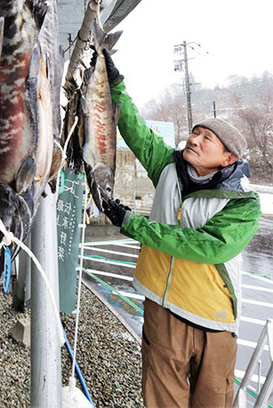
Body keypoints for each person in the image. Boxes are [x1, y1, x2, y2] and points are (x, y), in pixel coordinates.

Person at [100, 53, 261, 408]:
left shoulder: (243, 204)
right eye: (195, 132)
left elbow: (206, 247)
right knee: (162, 401)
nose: (195, 140)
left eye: (207, 139)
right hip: (163, 311)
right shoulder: (170, 168)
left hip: (213, 323)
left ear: (228, 158)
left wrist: (133, 224)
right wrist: (116, 86)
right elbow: (137, 132)